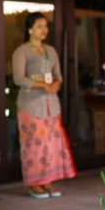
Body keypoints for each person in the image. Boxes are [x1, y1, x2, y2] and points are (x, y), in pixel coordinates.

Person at [12, 12, 77, 198]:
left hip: (51, 104)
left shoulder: (51, 50)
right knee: (34, 144)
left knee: (50, 144)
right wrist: (42, 84)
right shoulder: (22, 51)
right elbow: (18, 78)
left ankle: (47, 181)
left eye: (45, 26)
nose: (44, 30)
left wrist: (56, 84)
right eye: (39, 26)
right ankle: (33, 183)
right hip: (30, 105)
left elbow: (59, 75)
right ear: (30, 28)